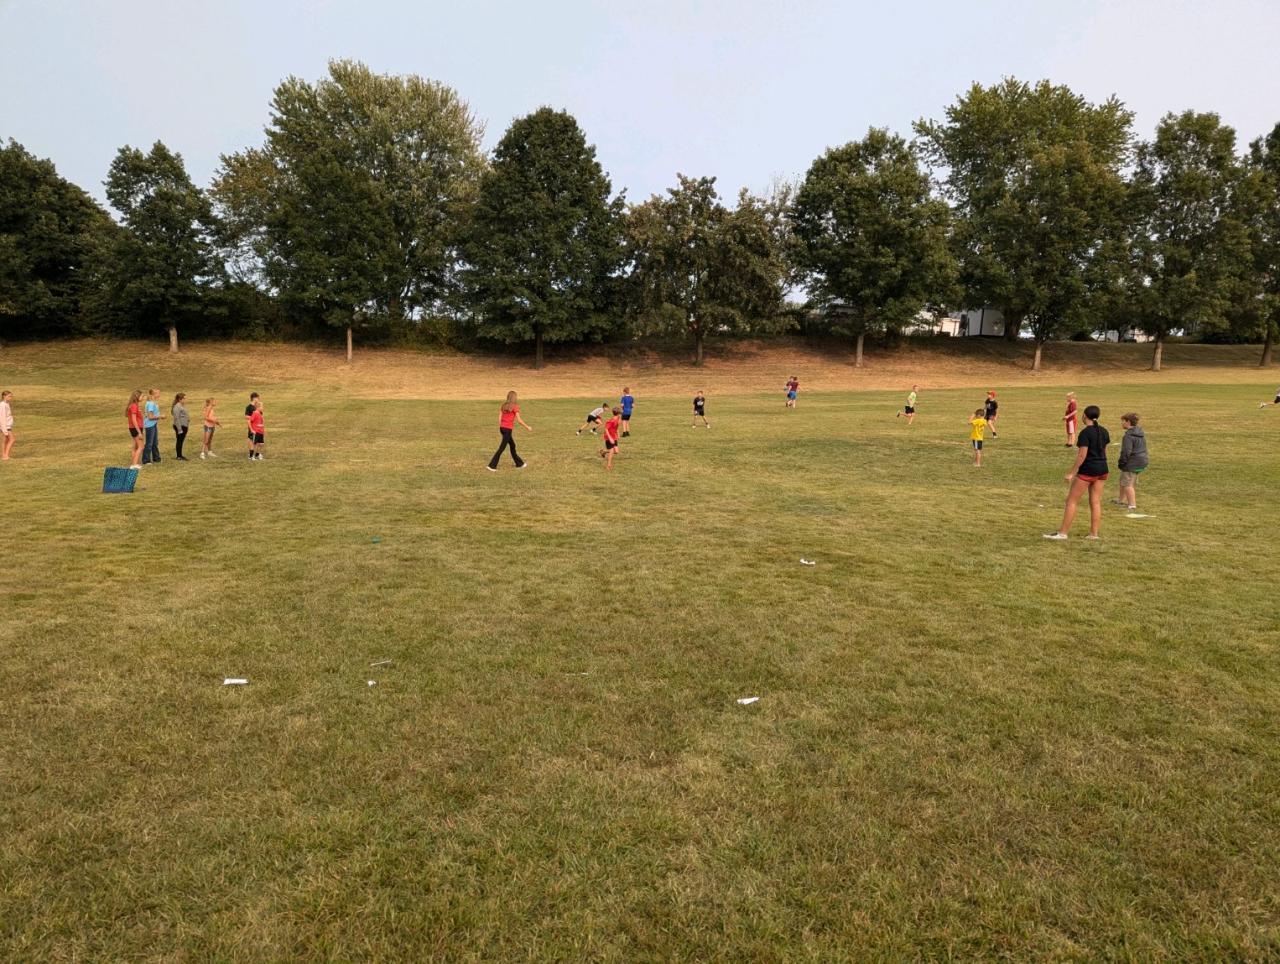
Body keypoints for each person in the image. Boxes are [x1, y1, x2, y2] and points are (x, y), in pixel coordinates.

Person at [1045, 404, 1110, 541]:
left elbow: (1082, 455)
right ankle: (1094, 534)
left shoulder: (1085, 433)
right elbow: (1104, 452)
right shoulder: (1104, 431)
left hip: (1088, 470)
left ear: (1084, 416)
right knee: (1095, 502)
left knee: (1071, 501)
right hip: (1102, 469)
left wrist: (1072, 473)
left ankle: (1063, 533)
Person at [1114, 412, 1149, 511]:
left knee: (1128, 484)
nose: (1122, 423)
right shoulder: (1140, 433)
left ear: (1128, 422)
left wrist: (1122, 463)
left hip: (1133, 462)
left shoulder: (1128, 436)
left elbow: (1126, 451)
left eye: (1123, 421)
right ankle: (1120, 500)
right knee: (1123, 480)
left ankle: (1132, 505)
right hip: (1142, 461)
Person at [488, 391, 531, 471]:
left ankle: (519, 464)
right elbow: (519, 420)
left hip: (502, 428)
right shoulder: (515, 407)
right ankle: (491, 466)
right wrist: (527, 427)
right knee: (502, 448)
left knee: (512, 445)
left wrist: (502, 426)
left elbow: (499, 417)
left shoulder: (504, 405)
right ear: (515, 398)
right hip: (508, 430)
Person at [142, 388, 165, 464]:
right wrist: (160, 416)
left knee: (155, 442)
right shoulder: (151, 404)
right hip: (149, 425)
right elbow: (150, 417)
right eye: (158, 393)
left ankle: (156, 458)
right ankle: (146, 460)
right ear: (153, 394)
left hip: (153, 424)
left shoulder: (152, 403)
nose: (159, 395)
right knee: (149, 443)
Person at [126, 390, 145, 469]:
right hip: (136, 428)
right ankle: (134, 464)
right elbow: (134, 420)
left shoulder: (134, 405)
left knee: (135, 446)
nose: (143, 398)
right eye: (142, 396)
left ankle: (134, 463)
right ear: (137, 396)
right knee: (141, 446)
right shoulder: (134, 406)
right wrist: (139, 432)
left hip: (134, 428)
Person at [172, 393, 190, 461]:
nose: (185, 400)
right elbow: (176, 418)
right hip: (180, 426)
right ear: (180, 399)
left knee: (181, 441)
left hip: (184, 425)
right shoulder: (177, 407)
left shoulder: (181, 405)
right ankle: (179, 456)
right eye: (184, 398)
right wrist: (179, 429)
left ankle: (180, 455)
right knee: (179, 441)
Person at [244, 392, 260, 458]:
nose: (258, 399)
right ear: (254, 398)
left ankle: (254, 454)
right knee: (251, 440)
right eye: (258, 398)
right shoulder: (249, 407)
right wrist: (254, 418)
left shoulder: (256, 407)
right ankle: (251, 455)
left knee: (256, 440)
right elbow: (246, 416)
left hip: (257, 427)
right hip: (252, 427)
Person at [0, 390, 14, 461]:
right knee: (12, 439)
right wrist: (4, 429)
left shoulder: (6, 404)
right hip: (5, 426)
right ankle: (5, 455)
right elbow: (2, 417)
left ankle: (4, 455)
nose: (10, 398)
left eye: (11, 396)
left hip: (8, 426)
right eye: (9, 396)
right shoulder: (2, 405)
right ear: (4, 396)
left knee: (6, 440)